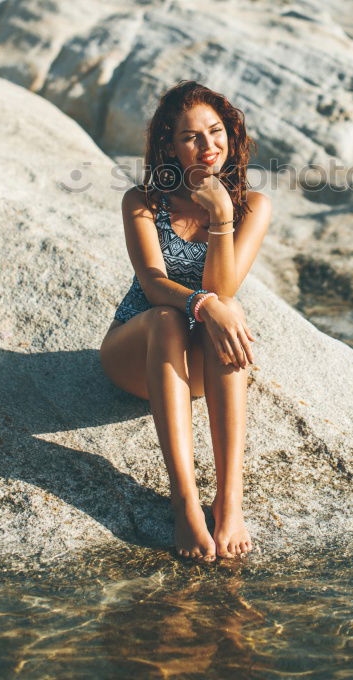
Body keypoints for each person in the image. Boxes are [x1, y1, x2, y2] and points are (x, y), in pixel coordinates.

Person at [100, 80, 272, 562]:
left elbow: (226, 287)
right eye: (191, 137)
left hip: (195, 369)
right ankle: (184, 504)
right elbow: (155, 285)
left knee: (228, 310)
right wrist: (204, 304)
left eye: (215, 132)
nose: (208, 145)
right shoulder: (142, 201)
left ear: (231, 135)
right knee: (167, 319)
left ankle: (229, 501)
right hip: (137, 351)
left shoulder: (252, 206)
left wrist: (220, 216)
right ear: (170, 146)